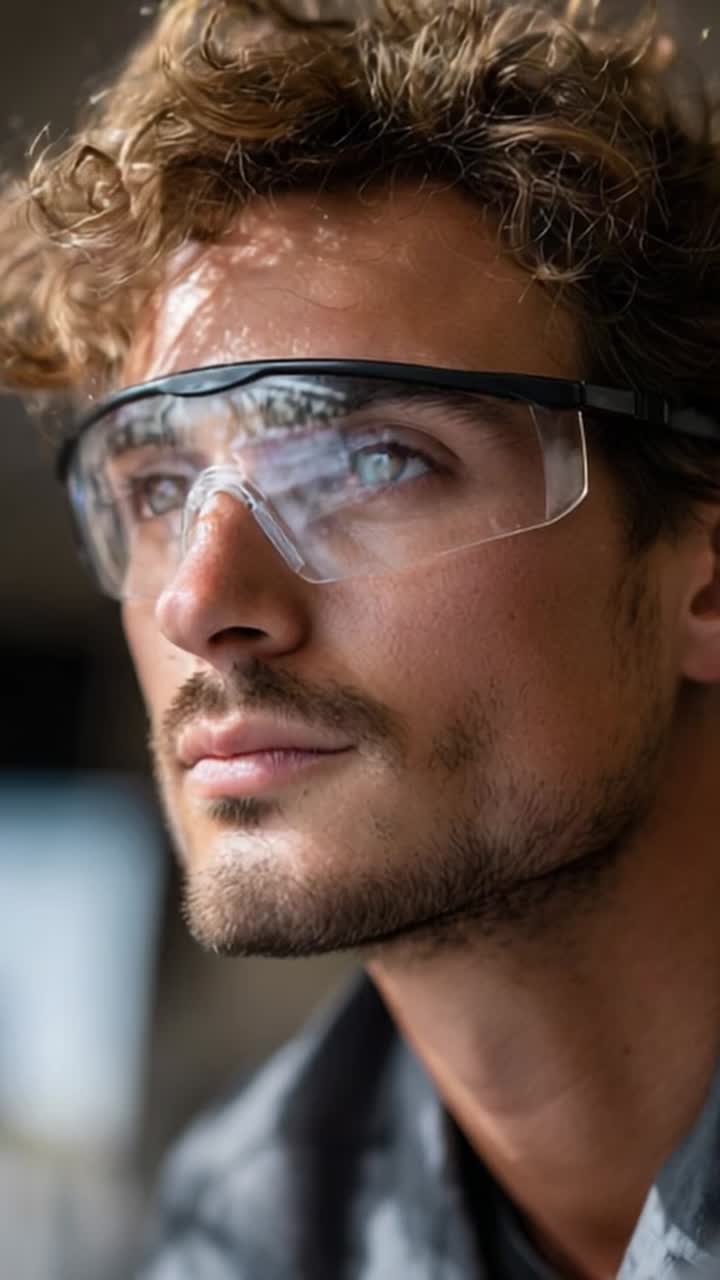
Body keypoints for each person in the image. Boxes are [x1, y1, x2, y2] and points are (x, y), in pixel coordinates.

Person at [3, 0, 720, 1275]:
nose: (199, 600)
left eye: (377, 460)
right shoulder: (246, 1232)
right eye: (157, 489)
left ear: (704, 578)